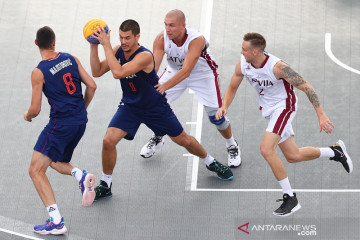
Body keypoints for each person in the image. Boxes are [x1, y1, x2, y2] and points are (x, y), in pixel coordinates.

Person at [89, 19, 233, 200]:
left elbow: (118, 72)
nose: (123, 41)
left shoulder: (144, 56)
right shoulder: (117, 51)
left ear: (137, 37)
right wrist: (94, 45)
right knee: (108, 141)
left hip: (155, 107)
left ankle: (210, 162)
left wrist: (106, 45)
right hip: (130, 106)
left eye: (127, 38)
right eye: (121, 37)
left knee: (184, 141)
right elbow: (96, 71)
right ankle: (106, 184)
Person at [217, 32, 353, 217]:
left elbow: (307, 87)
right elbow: (233, 86)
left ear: (256, 51)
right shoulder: (244, 64)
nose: (241, 51)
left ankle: (290, 197)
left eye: (244, 49)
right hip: (268, 110)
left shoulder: (278, 67)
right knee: (293, 155)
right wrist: (224, 106)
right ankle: (335, 151)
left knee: (266, 150)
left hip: (284, 107)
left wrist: (321, 115)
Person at [139, 9, 241, 168]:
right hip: (174, 72)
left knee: (216, 117)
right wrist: (144, 83)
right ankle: (158, 136)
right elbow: (153, 67)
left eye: (172, 25)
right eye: (166, 25)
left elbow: (186, 71)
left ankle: (231, 144)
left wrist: (164, 86)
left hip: (202, 74)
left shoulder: (196, 40)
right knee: (150, 104)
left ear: (183, 26)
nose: (167, 29)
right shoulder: (161, 39)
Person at [24, 26, 97, 235]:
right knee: (52, 159)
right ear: (54, 42)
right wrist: (81, 109)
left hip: (60, 124)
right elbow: (92, 85)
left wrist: (27, 115)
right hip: (80, 122)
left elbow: (35, 109)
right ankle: (81, 176)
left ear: (36, 43)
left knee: (35, 170)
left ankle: (56, 221)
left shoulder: (39, 71)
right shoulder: (71, 58)